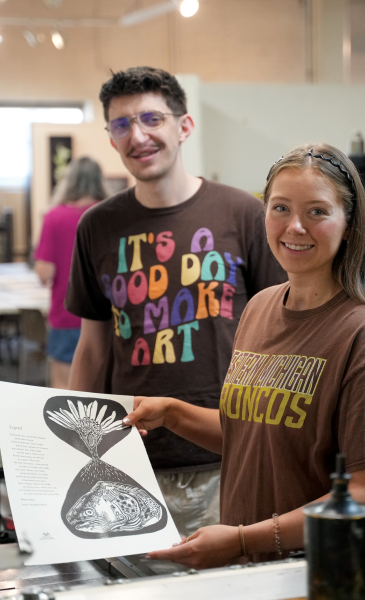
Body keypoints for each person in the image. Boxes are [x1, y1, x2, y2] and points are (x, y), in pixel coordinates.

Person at [124, 142, 365, 568]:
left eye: (317, 212)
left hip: (320, 573)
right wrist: (173, 414)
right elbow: (254, 436)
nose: (295, 227)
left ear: (349, 222)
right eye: (280, 208)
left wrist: (244, 540)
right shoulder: (260, 308)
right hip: (250, 571)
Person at [65, 66, 286, 535]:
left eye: (151, 118)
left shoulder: (242, 213)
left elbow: (280, 336)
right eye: (121, 124)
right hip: (130, 458)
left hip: (230, 453)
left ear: (184, 126)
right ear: (110, 138)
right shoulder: (97, 226)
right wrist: (76, 447)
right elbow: (93, 348)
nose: (137, 135)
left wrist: (276, 440)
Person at [34, 156, 109, 389]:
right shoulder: (109, 215)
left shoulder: (54, 217)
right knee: (104, 386)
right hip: (109, 316)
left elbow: (45, 273)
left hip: (67, 314)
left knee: (65, 388)